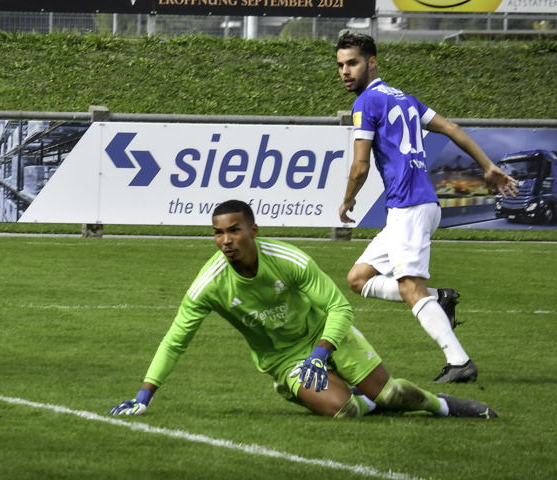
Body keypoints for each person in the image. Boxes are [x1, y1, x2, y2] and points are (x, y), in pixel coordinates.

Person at [110, 200, 497, 420]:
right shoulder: (209, 285)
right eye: (217, 232)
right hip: (285, 358)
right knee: (344, 411)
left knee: (392, 395)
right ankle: (348, 395)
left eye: (233, 230)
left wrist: (321, 352)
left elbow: (339, 306)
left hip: (324, 335)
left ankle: (443, 405)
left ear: (253, 231)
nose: (225, 240)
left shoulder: (288, 259)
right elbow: (176, 340)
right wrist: (145, 394)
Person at [335, 31, 519, 383]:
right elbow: (451, 127)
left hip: (410, 207)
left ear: (372, 63)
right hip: (422, 205)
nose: (345, 71)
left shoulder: (366, 103)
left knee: (409, 288)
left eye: (353, 63)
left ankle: (459, 362)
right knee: (358, 279)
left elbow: (360, 166)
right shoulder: (404, 98)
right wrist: (487, 166)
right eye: (341, 65)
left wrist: (347, 200)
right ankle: (440, 299)